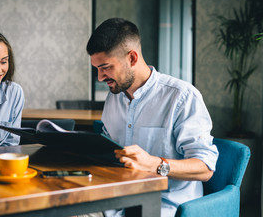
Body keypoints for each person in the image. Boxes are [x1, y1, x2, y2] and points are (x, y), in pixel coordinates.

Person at [86, 18, 219, 217]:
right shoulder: (113, 99)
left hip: (164, 206)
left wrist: (155, 164)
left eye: (105, 67)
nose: (100, 77)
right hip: (117, 202)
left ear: (132, 58)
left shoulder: (181, 97)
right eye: (97, 69)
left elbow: (205, 168)